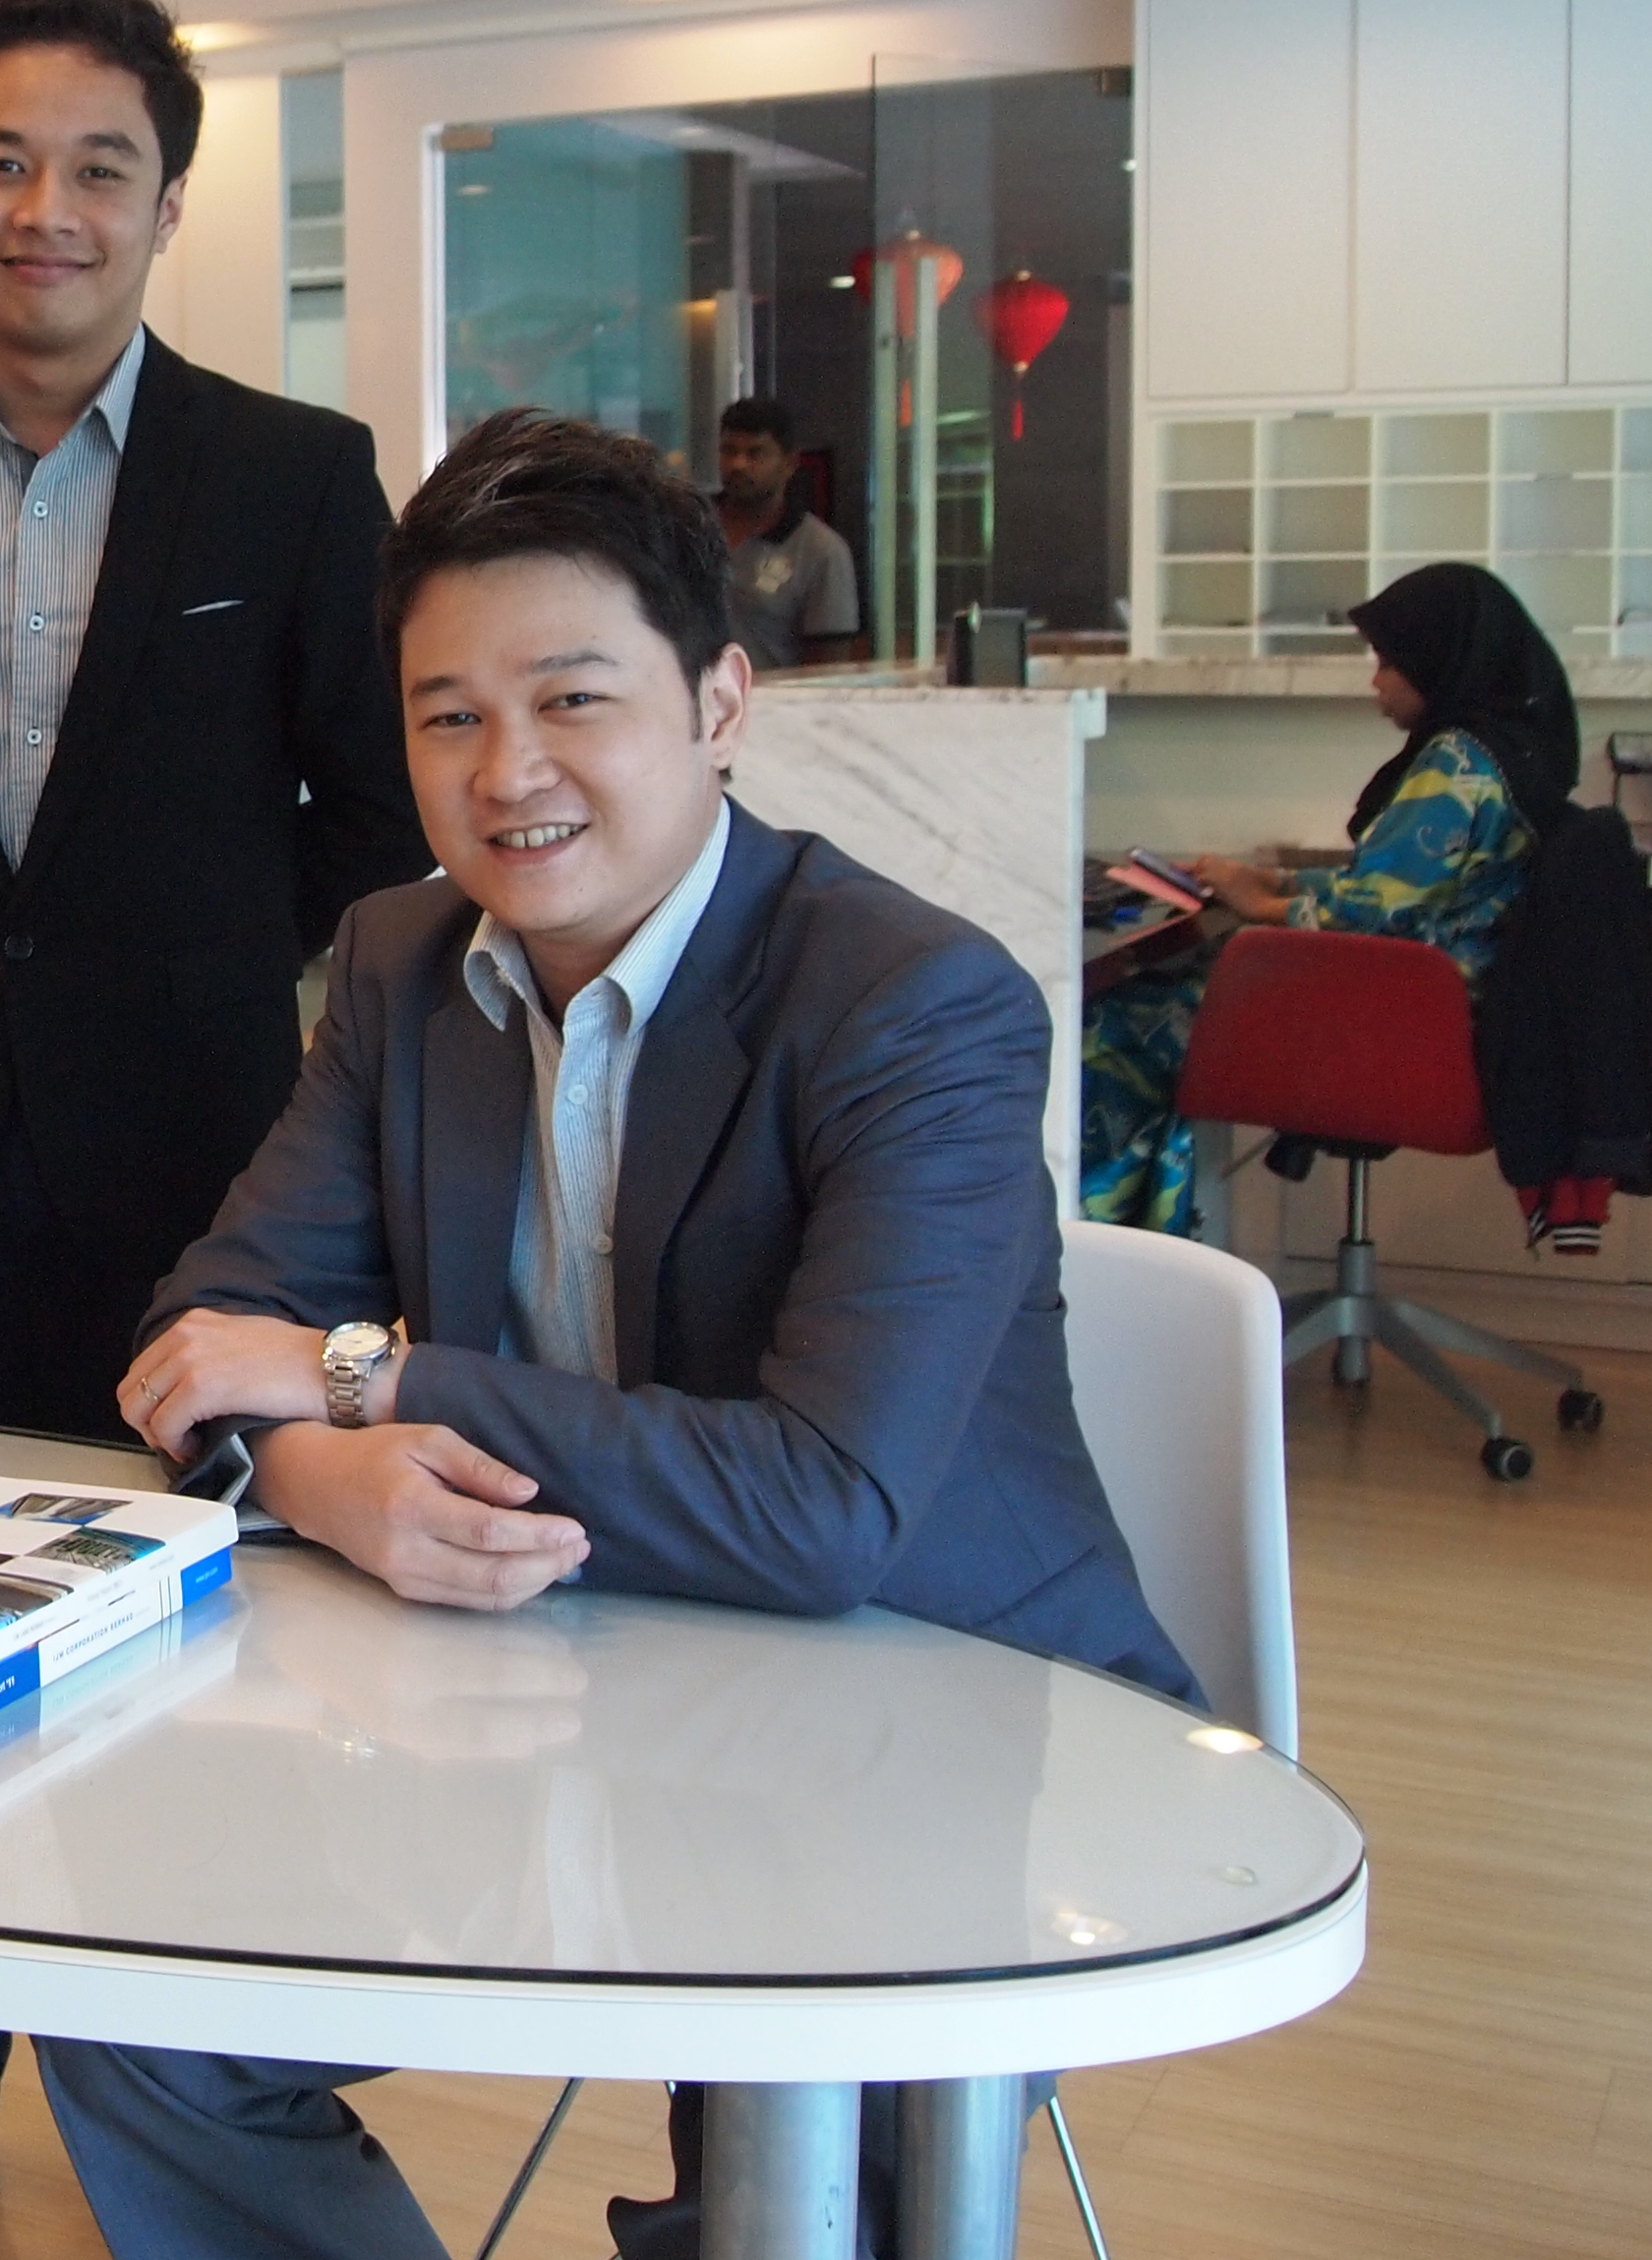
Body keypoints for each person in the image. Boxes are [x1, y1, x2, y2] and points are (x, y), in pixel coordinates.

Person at [75, 407, 1187, 2260]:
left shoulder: (914, 1003)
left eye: (572, 699)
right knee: (135, 1999)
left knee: (782, 2184)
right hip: (566, 1677)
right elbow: (205, 1332)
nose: (507, 772)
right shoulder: (401, 963)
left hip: (937, 1718)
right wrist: (327, 1477)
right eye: (447, 716)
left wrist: (367, 1375)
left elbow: (822, 1507)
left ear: (719, 701)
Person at [0, 0, 425, 2252]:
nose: (50, 208)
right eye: (4, 161)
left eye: (100, 168)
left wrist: (195, 967)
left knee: (190, 1636)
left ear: (166, 205)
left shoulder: (295, 475)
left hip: (199, 1174)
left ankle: (187, 2090)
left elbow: (370, 808)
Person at [1082, 559, 1573, 1239]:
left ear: (1438, 662)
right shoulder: (1514, 754)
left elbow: (1365, 917)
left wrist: (1262, 909)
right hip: (1450, 1019)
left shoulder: (1457, 764)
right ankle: (1153, 1244)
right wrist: (1280, 887)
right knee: (1167, 993)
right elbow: (1416, 894)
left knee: (1110, 1021)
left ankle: (1101, 1251)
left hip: (1397, 1027)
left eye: (1388, 663)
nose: (1376, 681)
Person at [706, 395, 860, 671]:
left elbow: (828, 668)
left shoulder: (821, 551)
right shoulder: (688, 528)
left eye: (755, 453)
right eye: (729, 451)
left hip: (772, 696)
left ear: (789, 463)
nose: (738, 464)